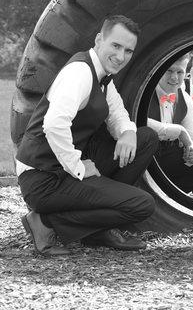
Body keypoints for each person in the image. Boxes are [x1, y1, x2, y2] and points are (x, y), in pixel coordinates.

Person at [16, 15, 158, 256]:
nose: (121, 56)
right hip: (43, 178)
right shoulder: (80, 73)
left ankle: (97, 229)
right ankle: (44, 223)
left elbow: (117, 113)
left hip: (64, 167)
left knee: (145, 139)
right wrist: (78, 167)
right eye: (115, 46)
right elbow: (53, 124)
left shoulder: (102, 75)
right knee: (142, 205)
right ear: (99, 40)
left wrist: (127, 132)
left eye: (128, 50)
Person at [147, 55, 193, 194]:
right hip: (147, 160)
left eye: (179, 72)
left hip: (172, 161)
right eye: (169, 71)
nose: (174, 77)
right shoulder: (146, 92)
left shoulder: (185, 98)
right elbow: (137, 123)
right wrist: (178, 130)